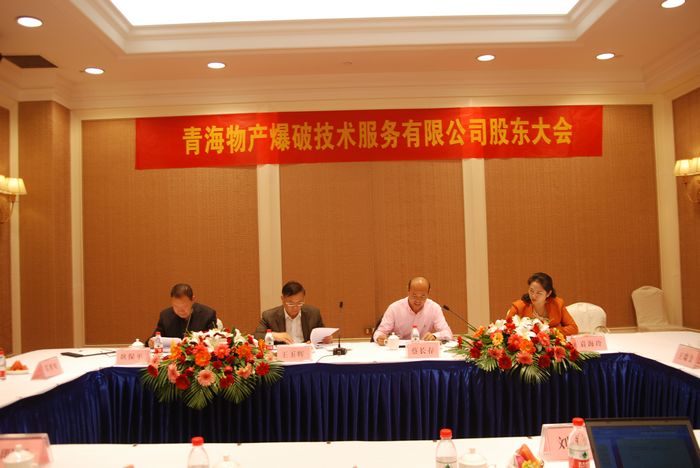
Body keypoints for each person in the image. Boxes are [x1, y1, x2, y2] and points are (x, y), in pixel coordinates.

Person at [373, 276, 453, 345]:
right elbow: (379, 332)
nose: (418, 300)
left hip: (423, 350)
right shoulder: (394, 308)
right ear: (408, 290)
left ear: (428, 293)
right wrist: (380, 338)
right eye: (414, 295)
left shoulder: (434, 308)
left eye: (422, 296)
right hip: (400, 349)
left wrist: (435, 336)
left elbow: (448, 333)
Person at [254, 281, 331, 344]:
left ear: (304, 299)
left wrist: (325, 338)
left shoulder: (313, 313)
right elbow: (256, 336)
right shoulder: (270, 316)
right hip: (283, 354)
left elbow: (321, 334)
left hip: (307, 353)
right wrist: (274, 335)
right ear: (282, 299)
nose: (295, 307)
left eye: (299, 303)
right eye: (290, 303)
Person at [506, 272, 579, 336]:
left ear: (548, 293)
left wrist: (551, 331)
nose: (534, 296)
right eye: (531, 291)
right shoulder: (518, 307)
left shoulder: (558, 304)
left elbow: (573, 328)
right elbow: (506, 330)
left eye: (539, 293)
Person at [148, 283, 218, 346]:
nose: (180, 311)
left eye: (185, 306)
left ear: (193, 300)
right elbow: (155, 338)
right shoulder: (165, 316)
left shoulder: (207, 315)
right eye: (176, 306)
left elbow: (214, 342)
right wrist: (151, 342)